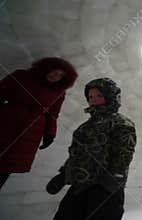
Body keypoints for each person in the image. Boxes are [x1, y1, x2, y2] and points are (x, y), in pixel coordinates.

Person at [47, 78, 136, 220]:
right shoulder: (85, 127)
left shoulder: (121, 123)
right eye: (90, 96)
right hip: (80, 184)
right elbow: (76, 154)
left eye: (99, 96)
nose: (93, 99)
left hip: (105, 187)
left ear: (111, 96)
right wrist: (64, 174)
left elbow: (124, 154)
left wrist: (114, 177)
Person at [0, 57, 78, 190]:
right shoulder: (22, 76)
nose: (56, 76)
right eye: (55, 71)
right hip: (6, 123)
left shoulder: (58, 92)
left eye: (60, 75)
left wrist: (50, 134)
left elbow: (52, 115)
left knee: (6, 167)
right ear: (47, 68)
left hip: (29, 134)